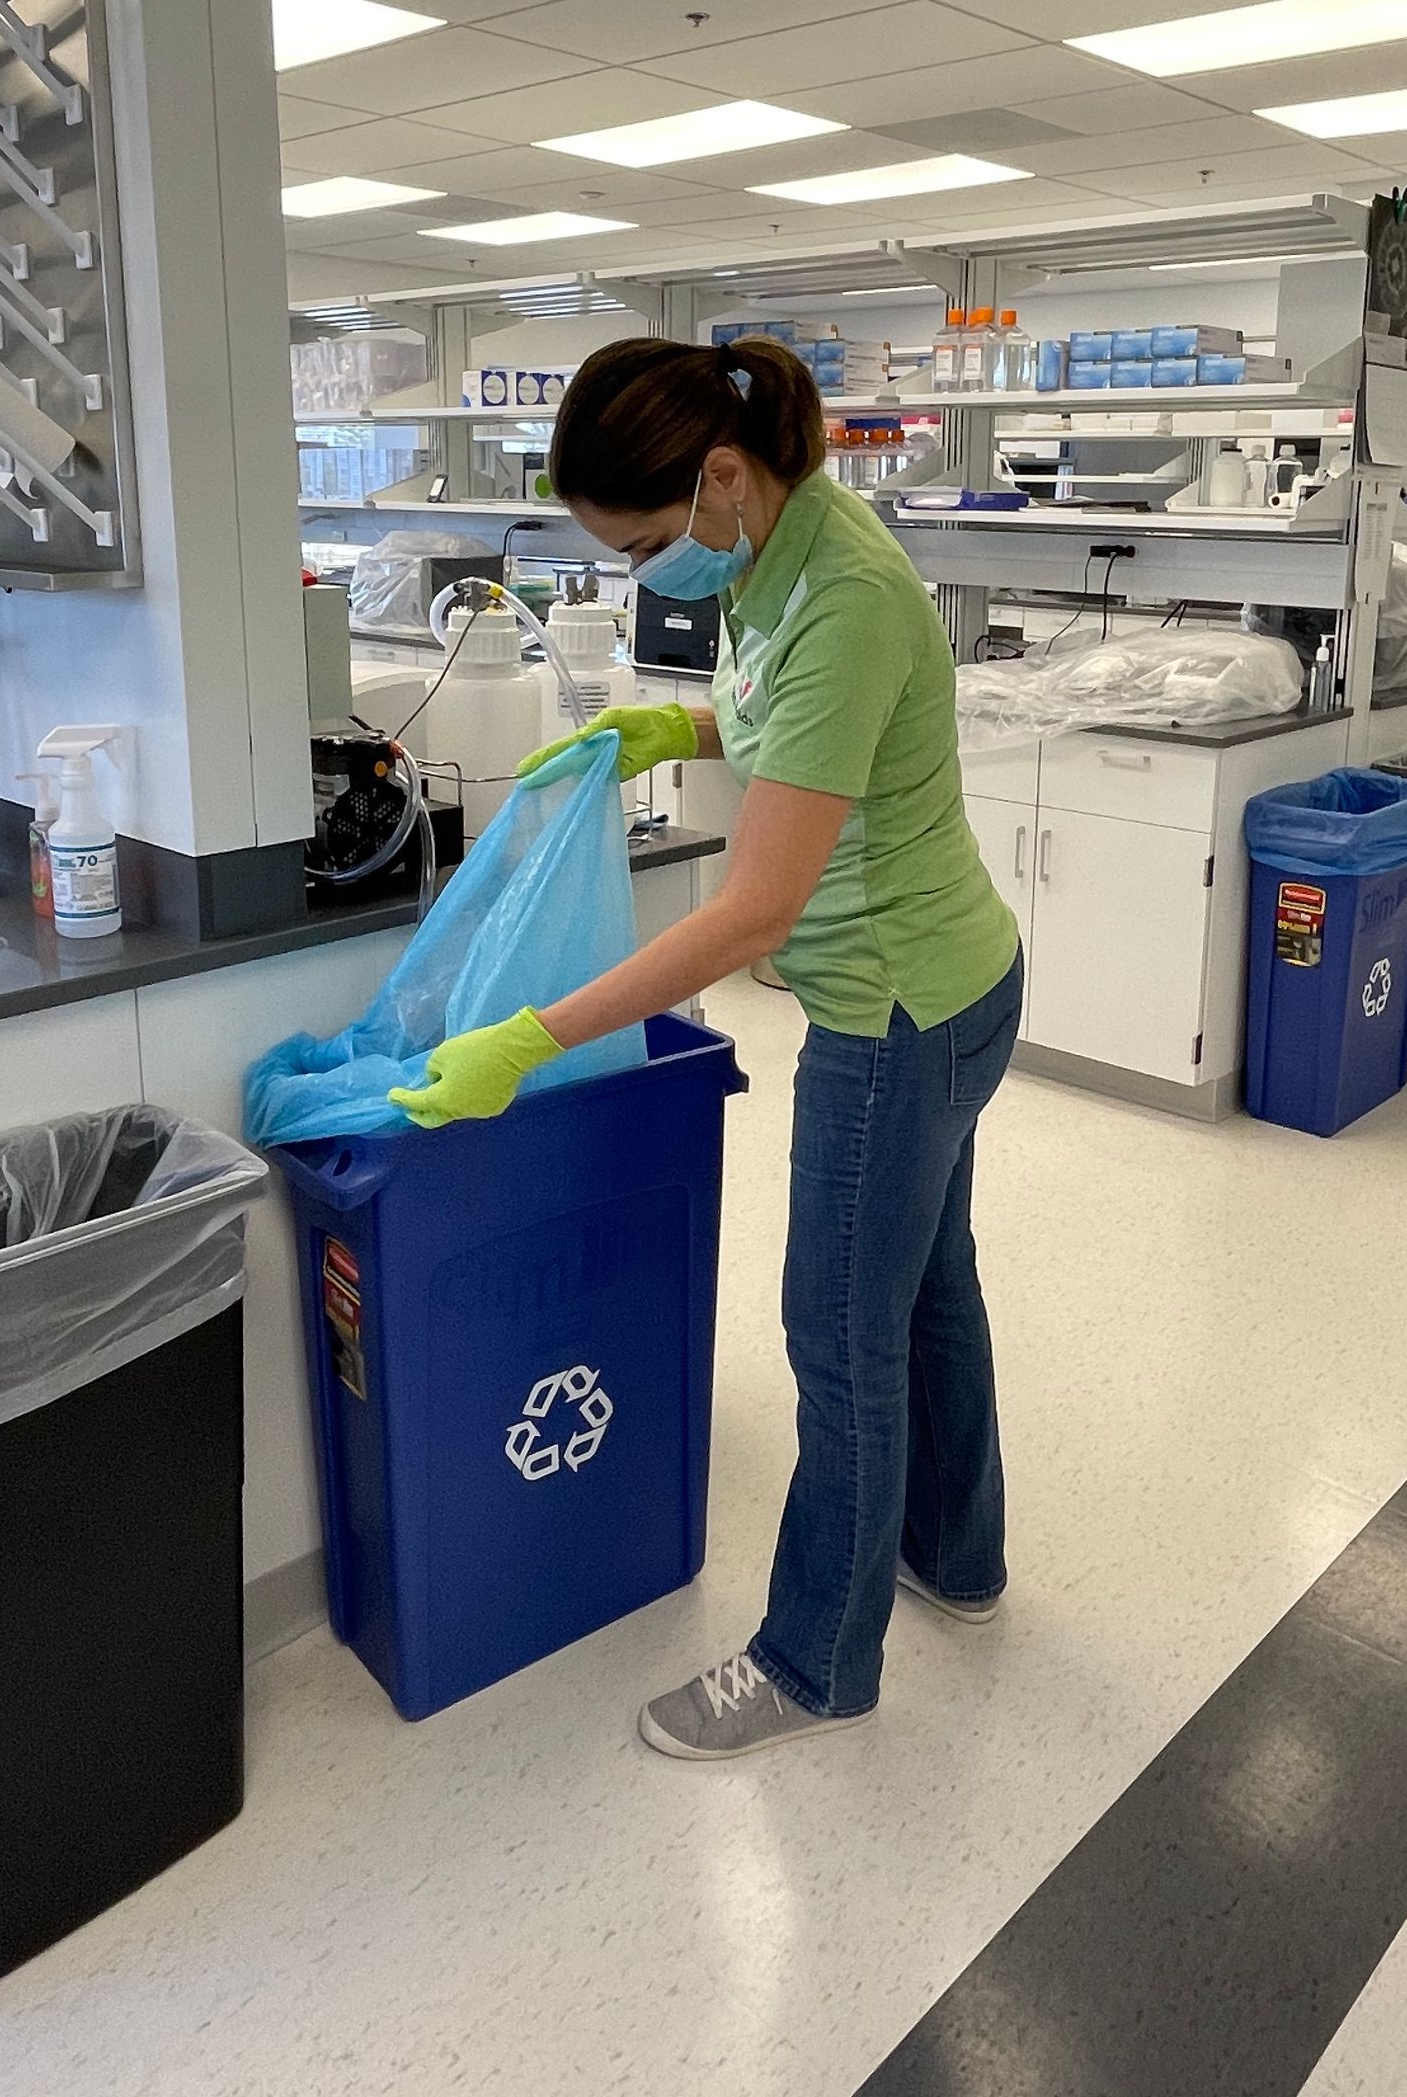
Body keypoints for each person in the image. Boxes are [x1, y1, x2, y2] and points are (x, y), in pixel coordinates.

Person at [388, 336, 1023, 1761]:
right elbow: (794, 733)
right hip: (960, 975)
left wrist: (529, 1039)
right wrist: (662, 721)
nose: (647, 571)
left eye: (652, 538)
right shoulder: (776, 551)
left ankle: (814, 1665)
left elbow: (752, 913)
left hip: (896, 1009)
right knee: (928, 1287)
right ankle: (954, 1556)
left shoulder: (842, 593)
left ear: (724, 472)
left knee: (841, 1336)